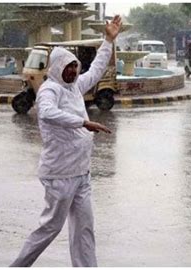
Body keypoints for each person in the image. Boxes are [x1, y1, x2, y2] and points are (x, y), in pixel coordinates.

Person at [10, 15, 122, 267]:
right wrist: (83, 122)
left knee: (84, 229)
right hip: (59, 175)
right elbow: (47, 112)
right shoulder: (51, 89)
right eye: (68, 67)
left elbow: (96, 69)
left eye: (75, 66)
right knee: (50, 228)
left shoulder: (75, 87)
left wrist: (108, 40)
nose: (73, 71)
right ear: (58, 67)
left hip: (81, 173)